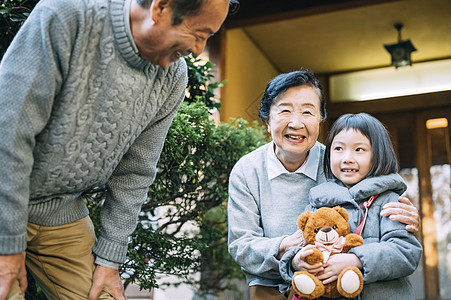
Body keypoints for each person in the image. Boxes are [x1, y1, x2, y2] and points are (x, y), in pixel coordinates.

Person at [0, 0, 238, 299]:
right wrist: (7, 244)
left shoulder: (173, 77)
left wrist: (109, 260)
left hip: (59, 210)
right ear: (160, 7)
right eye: (200, 33)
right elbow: (9, 135)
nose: (199, 49)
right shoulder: (65, 16)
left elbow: (136, 171)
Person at [227, 70, 421, 300]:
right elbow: (241, 245)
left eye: (308, 111)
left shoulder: (338, 162)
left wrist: (405, 219)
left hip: (343, 281)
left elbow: (374, 210)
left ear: (320, 119)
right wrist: (289, 250)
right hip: (274, 284)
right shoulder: (247, 170)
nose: (296, 123)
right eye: (285, 110)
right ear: (267, 121)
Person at [280, 112, 422, 299]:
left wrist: (356, 259)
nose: (347, 158)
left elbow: (405, 253)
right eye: (338, 149)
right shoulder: (318, 202)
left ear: (378, 155)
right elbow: (301, 242)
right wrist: (296, 262)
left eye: (359, 150)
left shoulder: (389, 202)